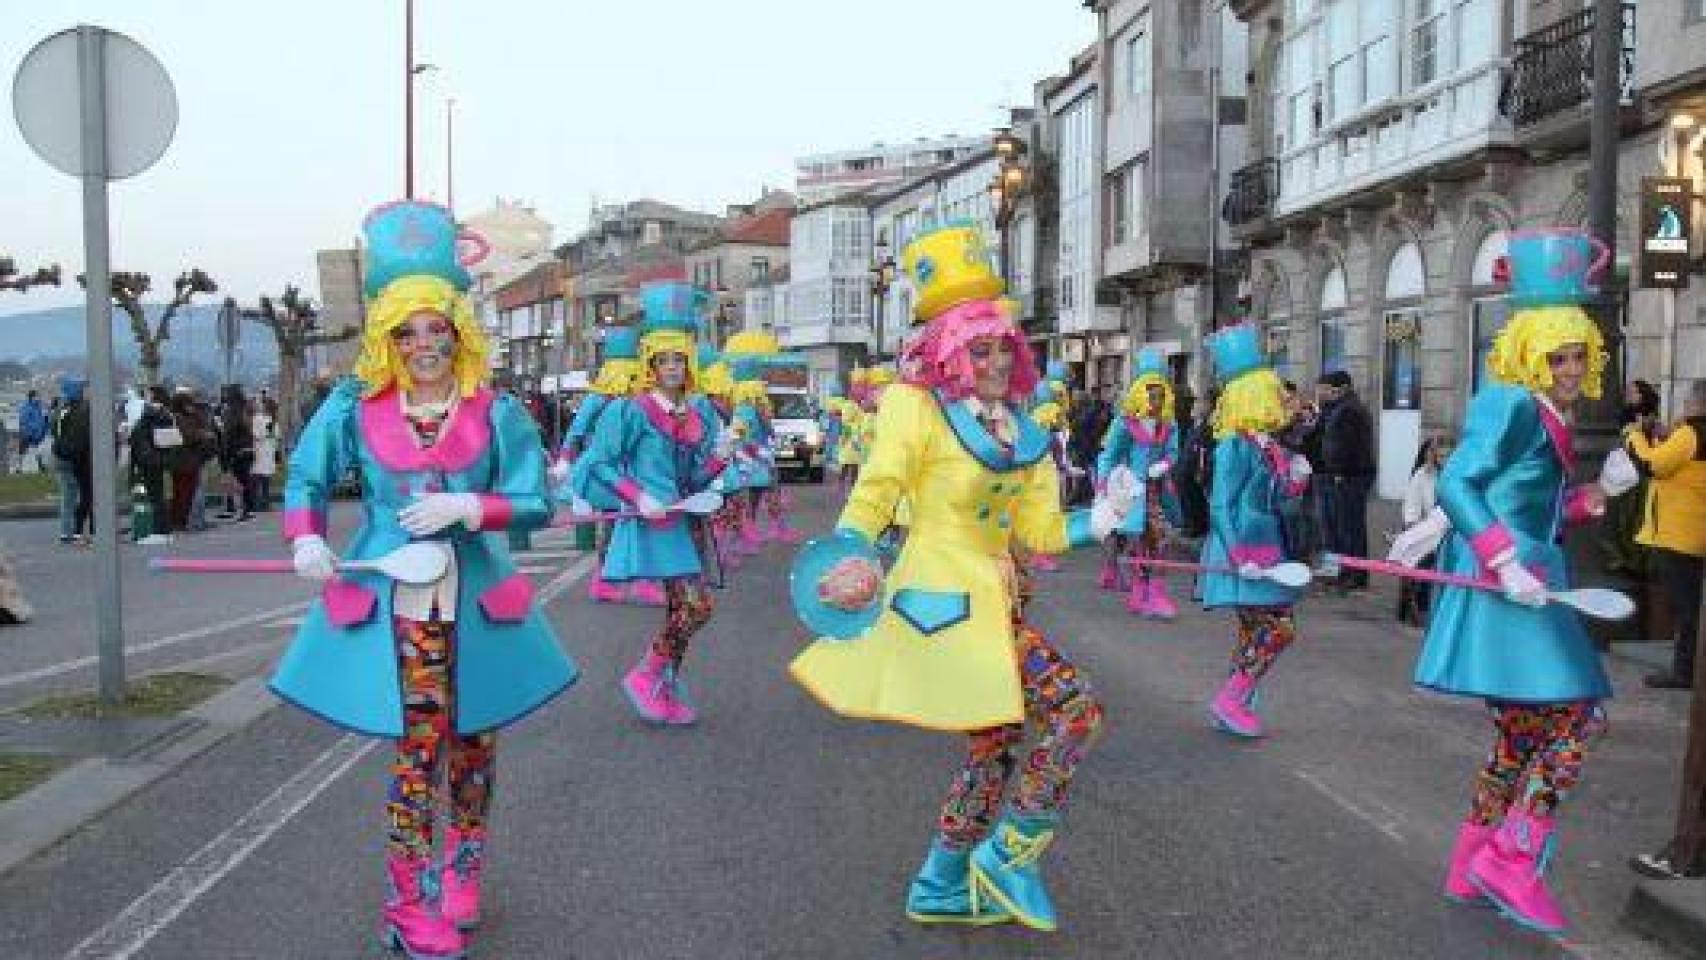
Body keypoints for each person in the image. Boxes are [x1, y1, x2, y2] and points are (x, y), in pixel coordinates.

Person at [792, 224, 1134, 933]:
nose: (994, 361)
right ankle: (1011, 852)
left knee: (995, 745)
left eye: (1003, 347)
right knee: (1075, 710)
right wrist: (853, 551)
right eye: (977, 349)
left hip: (995, 604)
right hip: (943, 603)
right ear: (949, 354)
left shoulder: (1027, 432)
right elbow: (879, 488)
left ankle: (939, 882)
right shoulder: (916, 409)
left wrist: (1098, 519)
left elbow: (1039, 534)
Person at [275, 199, 575, 960]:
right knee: (418, 747)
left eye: (435, 327)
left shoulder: (496, 412)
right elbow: (307, 477)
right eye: (405, 331)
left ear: (457, 330)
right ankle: (407, 906)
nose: (422, 344)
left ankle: (463, 867)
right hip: (395, 604)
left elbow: (537, 502)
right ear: (386, 337)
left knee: (474, 744)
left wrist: (475, 504)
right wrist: (307, 539)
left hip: (479, 603)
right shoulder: (356, 408)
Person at [1415, 228, 1617, 937]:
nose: (1569, 367)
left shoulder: (1550, 411)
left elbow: (1529, 501)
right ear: (1531, 351)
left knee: (1522, 734)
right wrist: (1502, 560)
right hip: (1508, 582)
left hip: (1533, 573)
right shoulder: (1510, 402)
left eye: (1578, 355)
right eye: (1557, 355)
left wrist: (1589, 498)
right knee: (1581, 714)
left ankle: (1472, 859)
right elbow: (1456, 483)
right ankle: (1510, 855)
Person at [578, 281, 736, 726]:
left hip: (683, 522)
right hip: (653, 525)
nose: (671, 366)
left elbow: (691, 477)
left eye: (678, 358)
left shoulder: (697, 412)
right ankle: (647, 674)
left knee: (679, 610)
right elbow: (601, 466)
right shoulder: (629, 411)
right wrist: (640, 496)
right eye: (662, 359)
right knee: (695, 606)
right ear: (649, 362)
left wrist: (720, 459)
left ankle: (664, 682)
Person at [1198, 324, 1311, 739]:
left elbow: (1276, 499)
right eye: (1274, 390)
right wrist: (1238, 556)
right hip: (1243, 548)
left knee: (1256, 627)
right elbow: (1220, 504)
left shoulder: (1268, 444)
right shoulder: (1234, 445)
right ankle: (1231, 697)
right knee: (1278, 628)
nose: (1283, 397)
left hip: (1268, 545)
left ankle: (1238, 696)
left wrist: (1295, 480)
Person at [553, 326, 652, 604]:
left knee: (636, 524)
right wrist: (564, 460)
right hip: (606, 472)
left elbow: (576, 431)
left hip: (633, 470)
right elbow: (577, 431)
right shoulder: (600, 398)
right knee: (616, 525)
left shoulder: (634, 398)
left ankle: (632, 579)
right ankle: (609, 580)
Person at [1624, 379, 1706, 690]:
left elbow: (1652, 465)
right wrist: (1662, 437)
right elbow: (1680, 464)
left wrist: (1634, 436)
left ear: (1697, 403)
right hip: (1697, 532)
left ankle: (1685, 672)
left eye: (1687, 400)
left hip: (1678, 534)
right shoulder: (1688, 436)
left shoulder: (1690, 433)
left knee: (1685, 608)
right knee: (1693, 606)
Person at [1095, 348, 1183, 617]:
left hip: (1157, 492)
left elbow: (1173, 453)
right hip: (1131, 492)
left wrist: (1165, 465)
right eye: (1151, 395)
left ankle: (1150, 593)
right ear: (1141, 394)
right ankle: (1141, 593)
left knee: (1160, 539)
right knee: (1139, 542)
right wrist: (1103, 487)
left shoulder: (1169, 425)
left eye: (1160, 395)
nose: (1156, 401)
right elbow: (1109, 455)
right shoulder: (1126, 423)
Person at [1315, 370, 1375, 589]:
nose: (1320, 393)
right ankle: (1338, 570)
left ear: (1340, 389)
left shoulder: (1350, 410)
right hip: (1334, 474)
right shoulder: (1333, 409)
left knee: (1350, 528)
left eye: (1324, 389)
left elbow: (1348, 446)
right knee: (1333, 527)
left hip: (1350, 476)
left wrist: (1340, 471)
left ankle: (1355, 574)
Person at [1603, 379, 1661, 578]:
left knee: (1635, 517)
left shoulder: (1652, 416)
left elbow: (1652, 444)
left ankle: (1635, 560)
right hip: (1625, 468)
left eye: (1633, 391)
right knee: (1619, 515)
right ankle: (1620, 557)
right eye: (1627, 391)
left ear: (1642, 394)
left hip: (1641, 472)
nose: (1628, 394)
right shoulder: (1625, 414)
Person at [1396, 435, 1451, 628]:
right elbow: (1411, 509)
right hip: (1427, 528)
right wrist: (1414, 528)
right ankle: (1421, 606)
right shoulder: (1422, 476)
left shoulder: (1461, 476)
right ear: (1433, 456)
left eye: (1449, 456)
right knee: (1422, 554)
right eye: (1441, 456)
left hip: (1453, 533)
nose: (1445, 460)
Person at [128, 386, 175, 539]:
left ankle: (148, 529)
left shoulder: (144, 419)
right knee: (158, 495)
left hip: (145, 461)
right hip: (160, 460)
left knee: (145, 495)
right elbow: (169, 441)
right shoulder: (165, 416)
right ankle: (163, 528)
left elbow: (138, 440)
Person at [49, 384, 84, 545]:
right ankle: (73, 531)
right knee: (75, 495)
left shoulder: (58, 413)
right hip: (73, 458)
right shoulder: (77, 413)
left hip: (59, 456)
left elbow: (54, 432)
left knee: (67, 495)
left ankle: (66, 531)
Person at [216, 386, 256, 521]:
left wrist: (225, 452)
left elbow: (228, 434)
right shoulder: (245, 410)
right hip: (247, 450)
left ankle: (241, 509)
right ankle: (246, 508)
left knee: (238, 481)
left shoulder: (233, 412)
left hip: (237, 451)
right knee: (244, 479)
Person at [250, 395, 279, 512]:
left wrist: (273, 437)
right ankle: (256, 502)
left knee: (266, 477)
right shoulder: (257, 418)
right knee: (258, 476)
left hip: (269, 449)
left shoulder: (272, 419)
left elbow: (276, 434)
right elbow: (256, 434)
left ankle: (265, 502)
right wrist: (267, 433)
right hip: (260, 449)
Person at [17, 390, 48, 473]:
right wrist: (32, 429)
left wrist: (42, 429)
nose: (38, 398)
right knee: (23, 451)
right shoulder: (26, 407)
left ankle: (40, 466)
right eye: (36, 396)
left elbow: (41, 419)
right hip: (27, 433)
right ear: (32, 397)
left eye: (38, 396)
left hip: (36, 433)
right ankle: (19, 468)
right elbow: (24, 420)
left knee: (37, 449)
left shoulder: (38, 407)